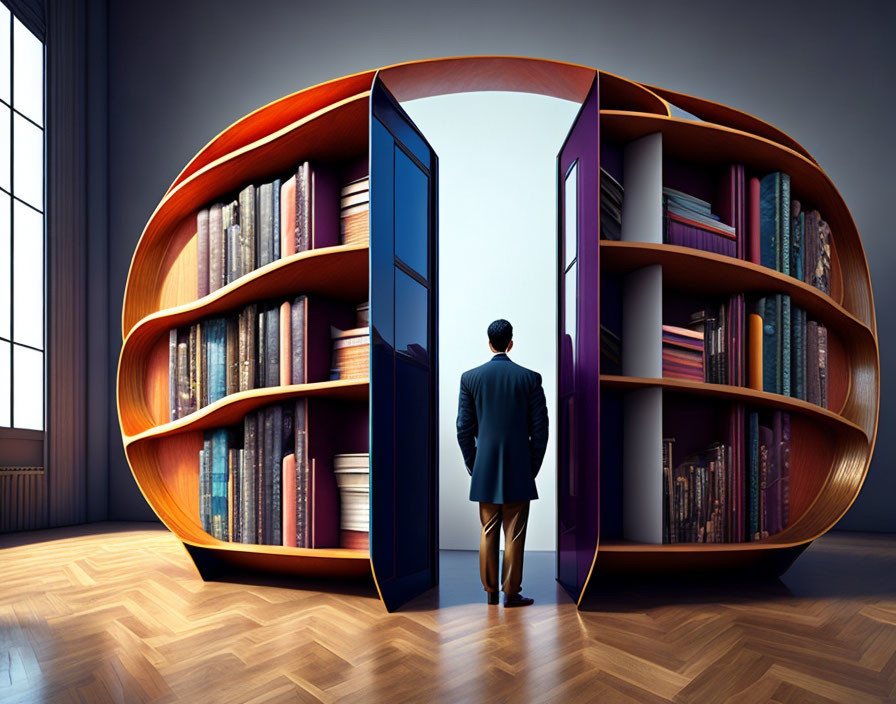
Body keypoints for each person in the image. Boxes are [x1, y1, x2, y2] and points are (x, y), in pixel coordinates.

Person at [456, 319, 549, 607]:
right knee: (515, 533)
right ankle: (511, 593)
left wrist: (475, 464)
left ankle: (490, 593)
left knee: (488, 530)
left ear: (489, 342)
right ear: (511, 342)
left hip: (485, 468)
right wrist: (531, 466)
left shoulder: (469, 378)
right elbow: (541, 430)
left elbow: (463, 428)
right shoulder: (530, 378)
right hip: (519, 468)